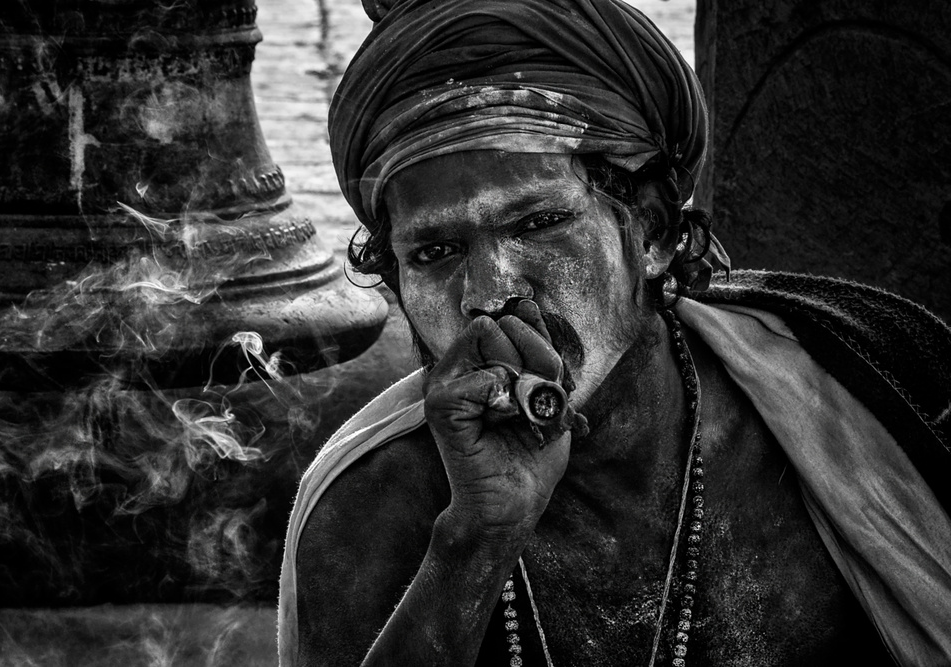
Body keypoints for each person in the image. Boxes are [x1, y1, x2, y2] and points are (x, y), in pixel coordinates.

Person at [277, 0, 951, 665]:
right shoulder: (369, 502)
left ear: (652, 230)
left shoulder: (850, 408)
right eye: (434, 253)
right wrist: (477, 539)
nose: (488, 292)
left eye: (538, 223)